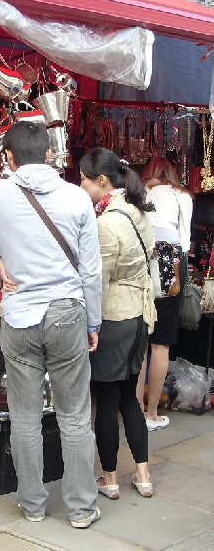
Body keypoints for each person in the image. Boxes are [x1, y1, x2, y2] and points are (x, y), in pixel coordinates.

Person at [0, 121, 102, 529]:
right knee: (75, 416)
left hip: (20, 316)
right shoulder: (77, 198)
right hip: (66, 312)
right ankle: (81, 509)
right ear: (49, 154)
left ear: (7, 157)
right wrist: (93, 322)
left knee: (24, 416)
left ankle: (32, 504)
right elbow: (92, 272)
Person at [79, 148, 157, 501]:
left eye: (83, 178)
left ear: (101, 181)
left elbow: (98, 279)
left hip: (115, 317)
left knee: (107, 400)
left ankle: (109, 479)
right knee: (129, 396)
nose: (80, 184)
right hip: (140, 315)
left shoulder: (107, 222)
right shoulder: (138, 210)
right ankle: (143, 475)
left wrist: (88, 322)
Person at [136, 158, 193, 431]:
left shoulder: (137, 192)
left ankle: (134, 410)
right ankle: (152, 413)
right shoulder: (180, 195)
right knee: (161, 341)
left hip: (140, 257)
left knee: (140, 338)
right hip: (170, 257)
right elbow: (184, 238)